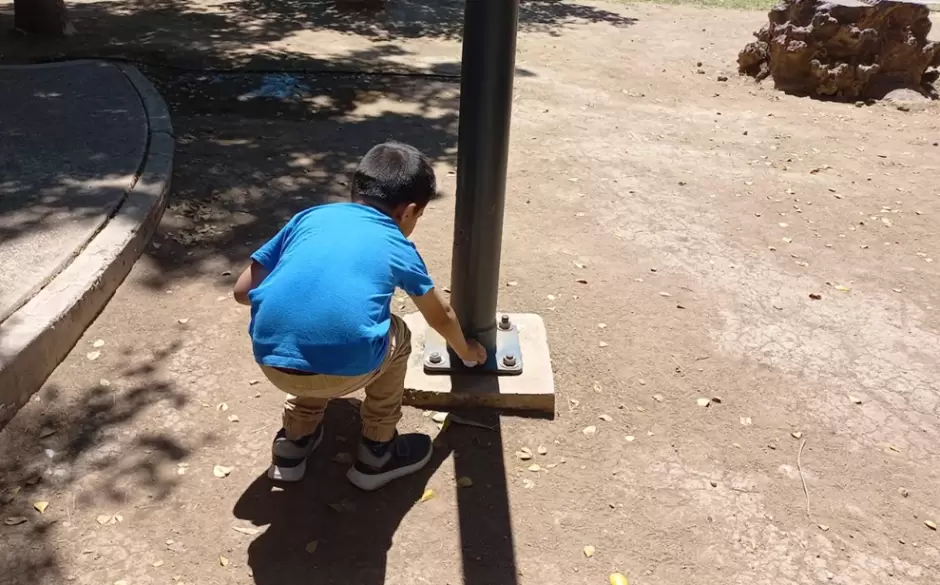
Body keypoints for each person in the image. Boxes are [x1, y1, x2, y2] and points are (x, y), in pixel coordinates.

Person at [232, 141, 487, 490]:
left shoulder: (309, 218)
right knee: (399, 335)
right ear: (409, 211)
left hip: (271, 362)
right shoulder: (396, 243)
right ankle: (377, 452)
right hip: (347, 368)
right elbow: (440, 315)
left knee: (309, 331)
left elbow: (242, 292)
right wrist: (467, 352)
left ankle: (293, 444)